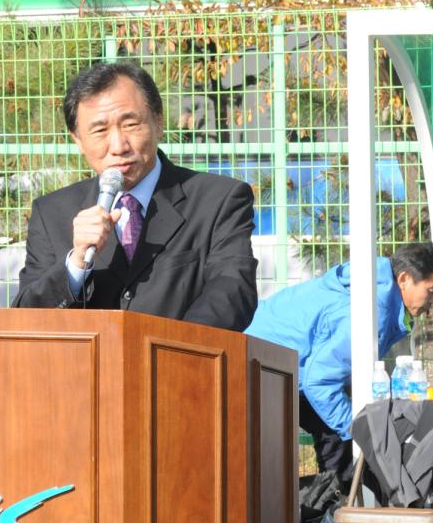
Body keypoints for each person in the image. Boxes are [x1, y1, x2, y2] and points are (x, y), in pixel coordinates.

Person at [13, 59, 258, 330]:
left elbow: (232, 292)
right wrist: (76, 263)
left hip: (180, 366)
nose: (118, 146)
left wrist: (172, 353)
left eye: (130, 124)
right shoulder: (52, 213)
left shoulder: (219, 200)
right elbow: (26, 317)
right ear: (78, 140)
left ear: (158, 122)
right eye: (100, 130)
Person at [246, 242, 433, 486]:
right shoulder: (370, 309)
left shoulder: (375, 291)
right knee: (345, 438)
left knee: (341, 441)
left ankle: (337, 506)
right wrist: (359, 431)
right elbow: (320, 382)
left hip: (280, 370)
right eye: (432, 290)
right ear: (405, 279)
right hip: (257, 372)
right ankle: (336, 512)